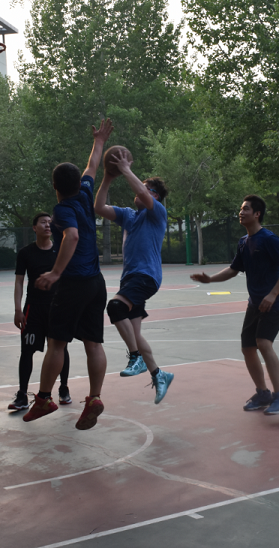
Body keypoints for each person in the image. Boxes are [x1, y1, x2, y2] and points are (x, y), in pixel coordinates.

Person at [23, 118, 113, 431]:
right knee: (93, 343)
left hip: (73, 283)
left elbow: (71, 236)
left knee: (57, 343)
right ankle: (95, 397)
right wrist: (99, 141)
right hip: (96, 283)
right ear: (78, 183)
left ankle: (44, 398)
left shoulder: (62, 209)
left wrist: (55, 272)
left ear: (54, 187)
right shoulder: (85, 191)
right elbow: (92, 165)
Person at [191, 195, 279, 415]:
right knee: (247, 347)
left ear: (257, 214)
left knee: (263, 343)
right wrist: (210, 279)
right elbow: (233, 269)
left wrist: (273, 294)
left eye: (246, 208)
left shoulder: (269, 239)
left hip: (273, 303)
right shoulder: (243, 242)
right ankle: (263, 393)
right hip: (254, 303)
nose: (241, 212)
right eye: (241, 208)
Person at [94, 147, 174, 404]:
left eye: (146, 189)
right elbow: (98, 207)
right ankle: (159, 374)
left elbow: (143, 193)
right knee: (135, 334)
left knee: (115, 307)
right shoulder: (129, 216)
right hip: (131, 278)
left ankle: (136, 357)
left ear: (155, 196)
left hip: (146, 276)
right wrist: (108, 177)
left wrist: (126, 168)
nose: (138, 191)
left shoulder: (157, 212)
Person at [9, 212, 71, 411]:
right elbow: (19, 281)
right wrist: (18, 309)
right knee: (27, 351)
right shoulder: (26, 253)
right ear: (34, 228)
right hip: (33, 309)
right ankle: (22, 395)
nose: (47, 225)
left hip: (57, 308)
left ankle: (63, 388)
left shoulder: (60, 250)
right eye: (43, 222)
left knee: (60, 349)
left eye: (50, 222)